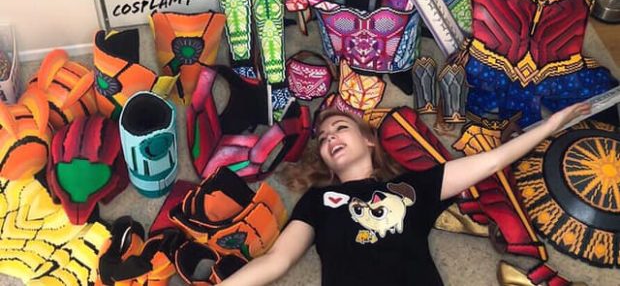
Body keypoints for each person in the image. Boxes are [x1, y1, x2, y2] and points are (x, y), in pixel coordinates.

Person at [219, 102, 591, 286]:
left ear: (369, 140)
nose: (330, 137)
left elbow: (492, 161)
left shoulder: (413, 187)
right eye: (324, 138)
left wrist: (552, 124)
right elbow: (278, 260)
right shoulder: (318, 201)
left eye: (340, 128)